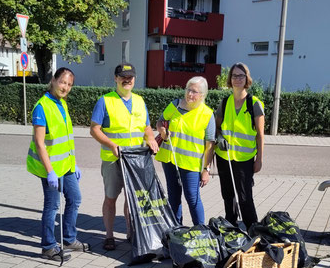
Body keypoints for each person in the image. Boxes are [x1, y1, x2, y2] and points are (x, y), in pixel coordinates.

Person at [90, 63, 159, 251]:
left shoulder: (139, 101)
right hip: (113, 159)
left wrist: (151, 138)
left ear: (134, 79)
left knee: (132, 199)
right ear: (116, 78)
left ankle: (131, 233)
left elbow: (146, 127)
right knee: (111, 198)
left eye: (130, 77)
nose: (127, 80)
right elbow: (94, 130)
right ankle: (109, 235)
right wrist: (112, 145)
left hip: (135, 160)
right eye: (123, 77)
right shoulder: (105, 101)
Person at [27, 67, 89, 261]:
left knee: (75, 198)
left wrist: (74, 163)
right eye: (63, 82)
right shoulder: (42, 106)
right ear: (53, 80)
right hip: (50, 168)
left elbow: (66, 139)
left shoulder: (62, 104)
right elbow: (39, 143)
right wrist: (50, 172)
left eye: (69, 84)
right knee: (52, 206)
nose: (65, 87)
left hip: (67, 165)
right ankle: (48, 247)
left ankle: (69, 239)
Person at [156, 76, 215, 225]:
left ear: (203, 95)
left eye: (195, 92)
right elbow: (160, 121)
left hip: (191, 164)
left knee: (192, 198)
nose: (190, 94)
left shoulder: (207, 114)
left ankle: (201, 230)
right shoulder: (175, 105)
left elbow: (210, 145)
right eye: (189, 90)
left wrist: (206, 170)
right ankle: (176, 229)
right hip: (170, 160)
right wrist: (162, 130)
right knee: (173, 197)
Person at [215, 62, 265, 229]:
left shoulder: (254, 103)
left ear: (247, 78)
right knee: (228, 196)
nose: (237, 79)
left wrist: (259, 160)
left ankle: (254, 231)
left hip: (245, 159)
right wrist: (219, 136)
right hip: (224, 157)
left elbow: (260, 135)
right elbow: (216, 127)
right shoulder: (224, 102)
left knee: (244, 198)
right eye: (234, 75)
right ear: (230, 79)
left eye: (241, 75)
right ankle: (231, 227)